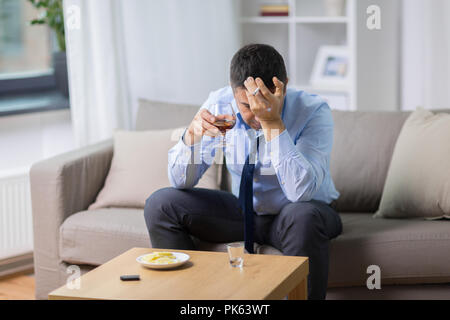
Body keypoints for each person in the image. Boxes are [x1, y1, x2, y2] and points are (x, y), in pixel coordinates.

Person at [144, 44, 342, 300]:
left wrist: (273, 123)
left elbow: (300, 192)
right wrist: (192, 136)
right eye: (247, 105)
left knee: (303, 215)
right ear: (231, 90)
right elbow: (181, 180)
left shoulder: (313, 111)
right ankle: (188, 298)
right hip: (243, 212)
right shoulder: (220, 103)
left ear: (284, 85)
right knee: (161, 204)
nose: (257, 114)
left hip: (301, 213)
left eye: (268, 101)